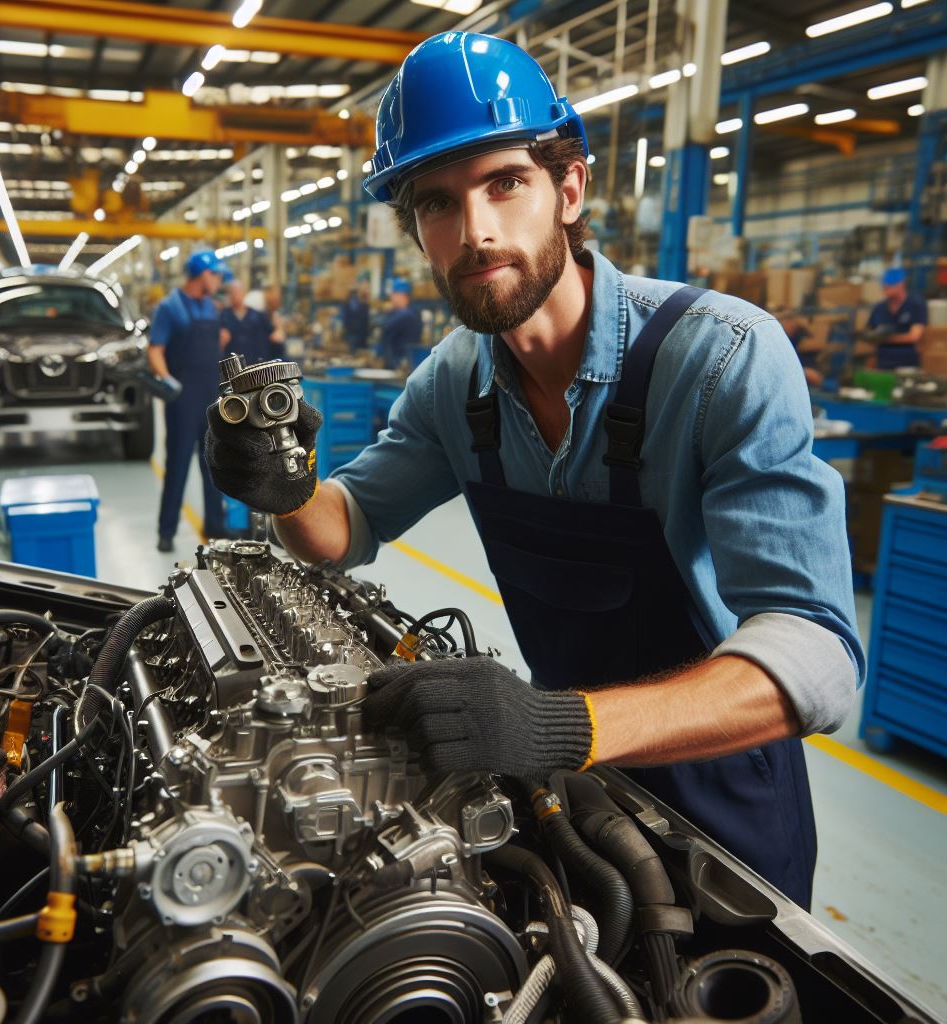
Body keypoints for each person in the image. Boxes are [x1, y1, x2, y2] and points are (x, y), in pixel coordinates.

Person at [206, 32, 862, 909]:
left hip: (722, 800)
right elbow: (343, 528)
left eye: (504, 182)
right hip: (566, 785)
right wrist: (284, 486)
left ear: (569, 188)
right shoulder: (454, 382)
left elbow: (819, 653)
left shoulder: (722, 359)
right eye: (438, 203)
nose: (476, 231)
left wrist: (562, 722)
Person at [148, 250, 231, 553]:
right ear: (201, 274)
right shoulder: (170, 307)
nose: (219, 280)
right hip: (183, 399)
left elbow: (218, 342)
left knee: (214, 463)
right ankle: (166, 531)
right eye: (215, 275)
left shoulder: (213, 307)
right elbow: (155, 348)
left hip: (210, 395)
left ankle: (215, 527)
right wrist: (167, 379)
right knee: (178, 465)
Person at [866, 267, 927, 370]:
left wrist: (884, 339)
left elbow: (913, 336)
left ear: (900, 285)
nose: (885, 289)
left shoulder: (916, 305)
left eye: (889, 286)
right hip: (883, 363)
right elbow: (870, 333)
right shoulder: (879, 308)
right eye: (884, 286)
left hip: (907, 362)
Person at [221, 279, 283, 365]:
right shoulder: (224, 317)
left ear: (243, 293)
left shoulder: (257, 316)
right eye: (231, 292)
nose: (234, 296)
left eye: (237, 292)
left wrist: (278, 331)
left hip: (255, 367)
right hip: (233, 368)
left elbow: (274, 335)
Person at [378, 278, 422, 368]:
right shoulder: (411, 313)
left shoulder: (405, 315)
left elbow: (386, 328)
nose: (391, 298)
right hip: (402, 363)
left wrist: (388, 312)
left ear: (401, 295)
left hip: (398, 364)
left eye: (394, 294)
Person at [340, 279, 372, 353]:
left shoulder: (345, 305)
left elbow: (343, 319)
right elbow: (366, 321)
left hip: (352, 335)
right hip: (360, 335)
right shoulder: (364, 305)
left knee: (353, 353)